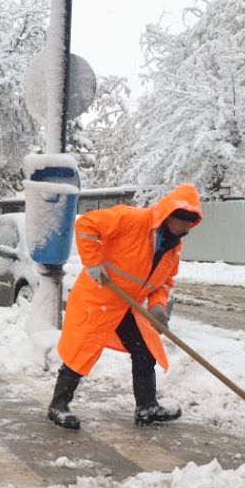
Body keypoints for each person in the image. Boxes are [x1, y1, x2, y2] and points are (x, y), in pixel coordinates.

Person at [48, 183, 203, 430]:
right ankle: (58, 405)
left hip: (126, 306)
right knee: (83, 349)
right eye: (183, 221)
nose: (186, 228)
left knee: (144, 350)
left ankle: (147, 407)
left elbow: (164, 282)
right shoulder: (132, 219)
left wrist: (158, 306)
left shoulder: (172, 248)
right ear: (168, 215)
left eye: (191, 223)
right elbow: (86, 225)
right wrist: (93, 263)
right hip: (97, 297)